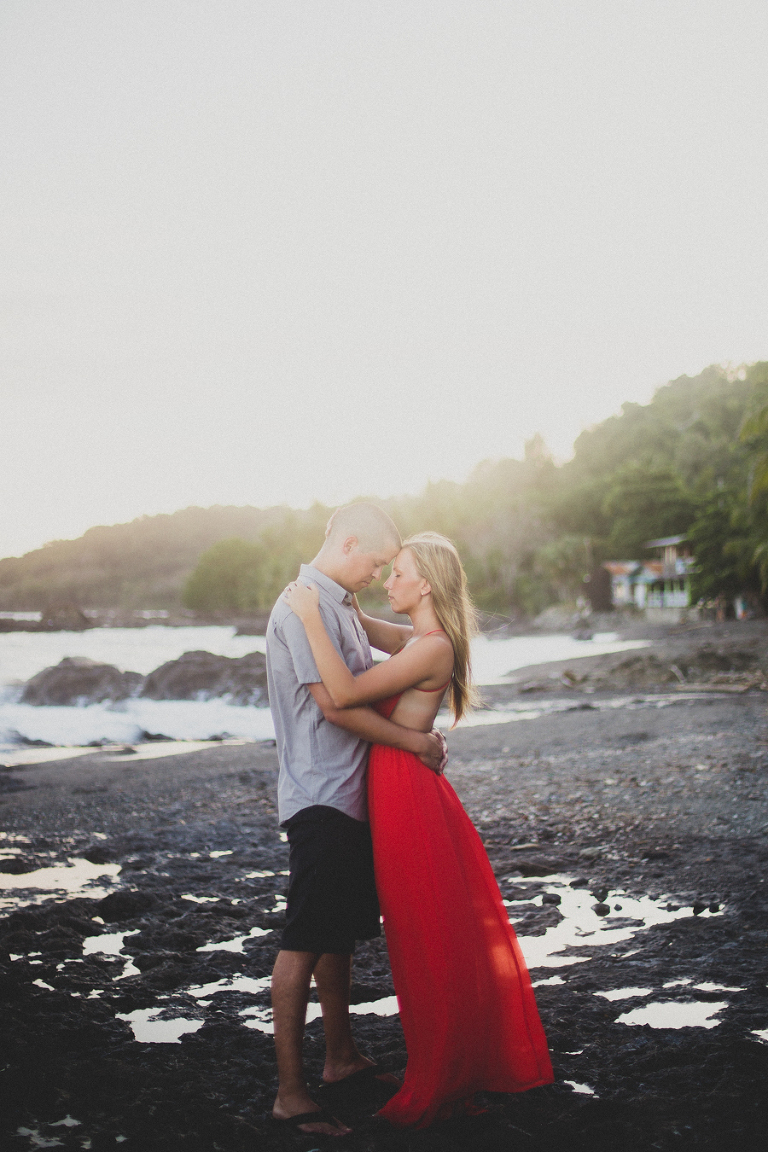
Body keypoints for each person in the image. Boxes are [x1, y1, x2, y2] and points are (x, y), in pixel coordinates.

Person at [283, 531, 554, 1128]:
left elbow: (345, 693)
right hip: (395, 790)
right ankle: (434, 1056)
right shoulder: (419, 640)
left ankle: (444, 1068)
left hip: (407, 796)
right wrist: (340, 597)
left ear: (425, 584)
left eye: (399, 571)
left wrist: (308, 617)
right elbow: (367, 628)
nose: (389, 579)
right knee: (419, 932)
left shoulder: (431, 648)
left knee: (424, 934)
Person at [266, 504, 447, 1138]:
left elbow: (404, 644)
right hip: (320, 794)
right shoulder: (301, 607)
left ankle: (340, 1057)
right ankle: (291, 1094)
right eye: (375, 562)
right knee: (304, 937)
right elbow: (337, 706)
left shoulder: (340, 603)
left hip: (350, 793)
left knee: (336, 932)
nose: (377, 574)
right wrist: (416, 742)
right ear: (347, 545)